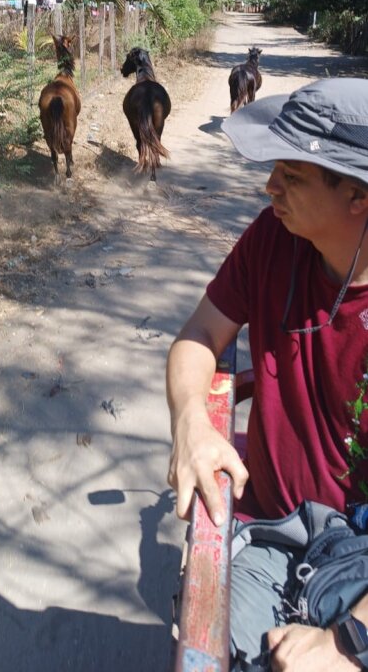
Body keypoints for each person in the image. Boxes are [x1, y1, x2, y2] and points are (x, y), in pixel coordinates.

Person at [166, 78, 368, 671]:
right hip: (275, 531)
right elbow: (198, 337)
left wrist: (348, 641)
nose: (269, 187)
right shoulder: (274, 239)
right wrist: (192, 425)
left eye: (293, 176)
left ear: (358, 196)